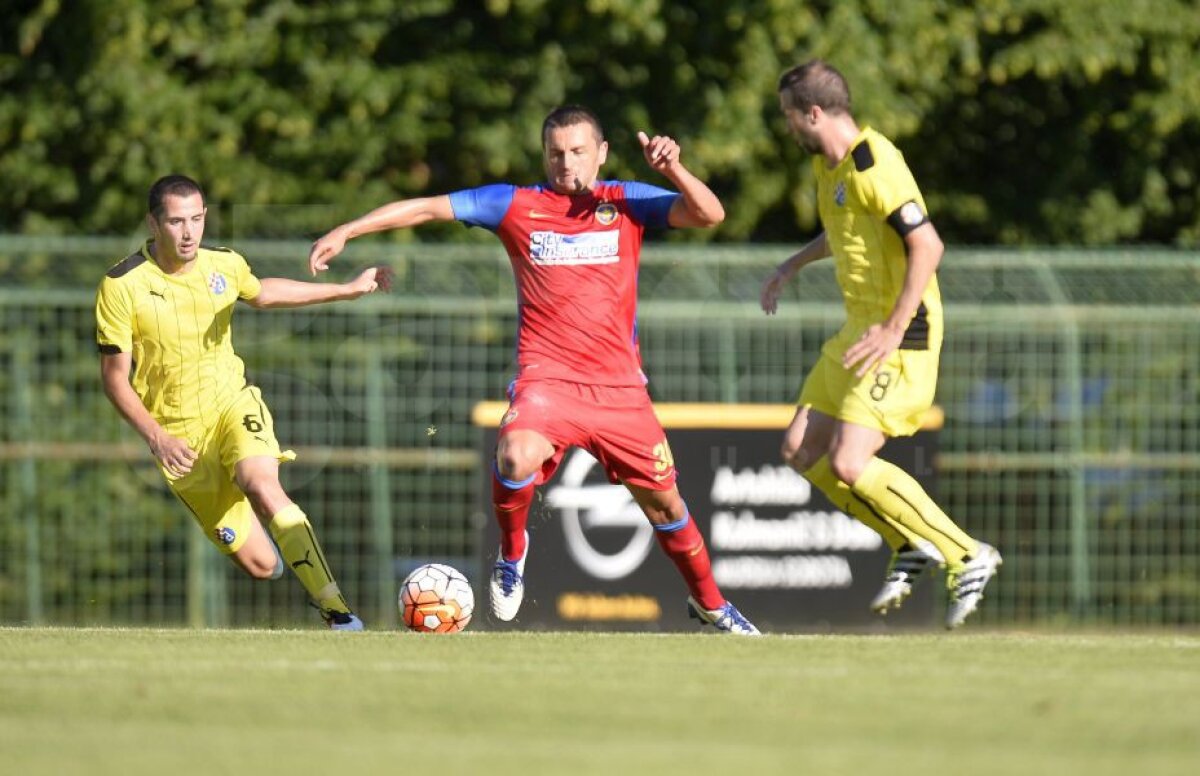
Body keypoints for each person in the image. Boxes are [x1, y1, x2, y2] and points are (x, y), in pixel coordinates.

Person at [309, 105, 760, 635]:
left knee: (666, 506)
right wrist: (349, 229)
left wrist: (675, 171)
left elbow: (710, 215)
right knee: (516, 454)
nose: (565, 163)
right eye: (555, 153)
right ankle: (511, 554)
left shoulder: (626, 200)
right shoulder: (516, 205)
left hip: (619, 391)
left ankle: (711, 604)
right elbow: (428, 208)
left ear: (602, 154)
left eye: (577, 152)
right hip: (548, 382)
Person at [760, 60, 1001, 629]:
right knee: (800, 450)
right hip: (860, 329)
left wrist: (894, 326)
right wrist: (792, 265)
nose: (787, 126)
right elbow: (846, 231)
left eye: (789, 116)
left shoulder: (877, 163)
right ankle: (910, 546)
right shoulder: (831, 168)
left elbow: (928, 245)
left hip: (901, 331)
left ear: (813, 113)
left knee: (848, 461)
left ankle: (968, 554)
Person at [96, 174, 391, 630]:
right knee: (262, 566)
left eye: (196, 219)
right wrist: (157, 436)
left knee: (260, 480)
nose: (189, 232)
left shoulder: (225, 265)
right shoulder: (121, 285)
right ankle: (273, 532)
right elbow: (115, 380)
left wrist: (347, 290)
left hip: (232, 404)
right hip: (180, 441)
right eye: (176, 221)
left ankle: (339, 614)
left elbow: (262, 292)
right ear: (153, 224)